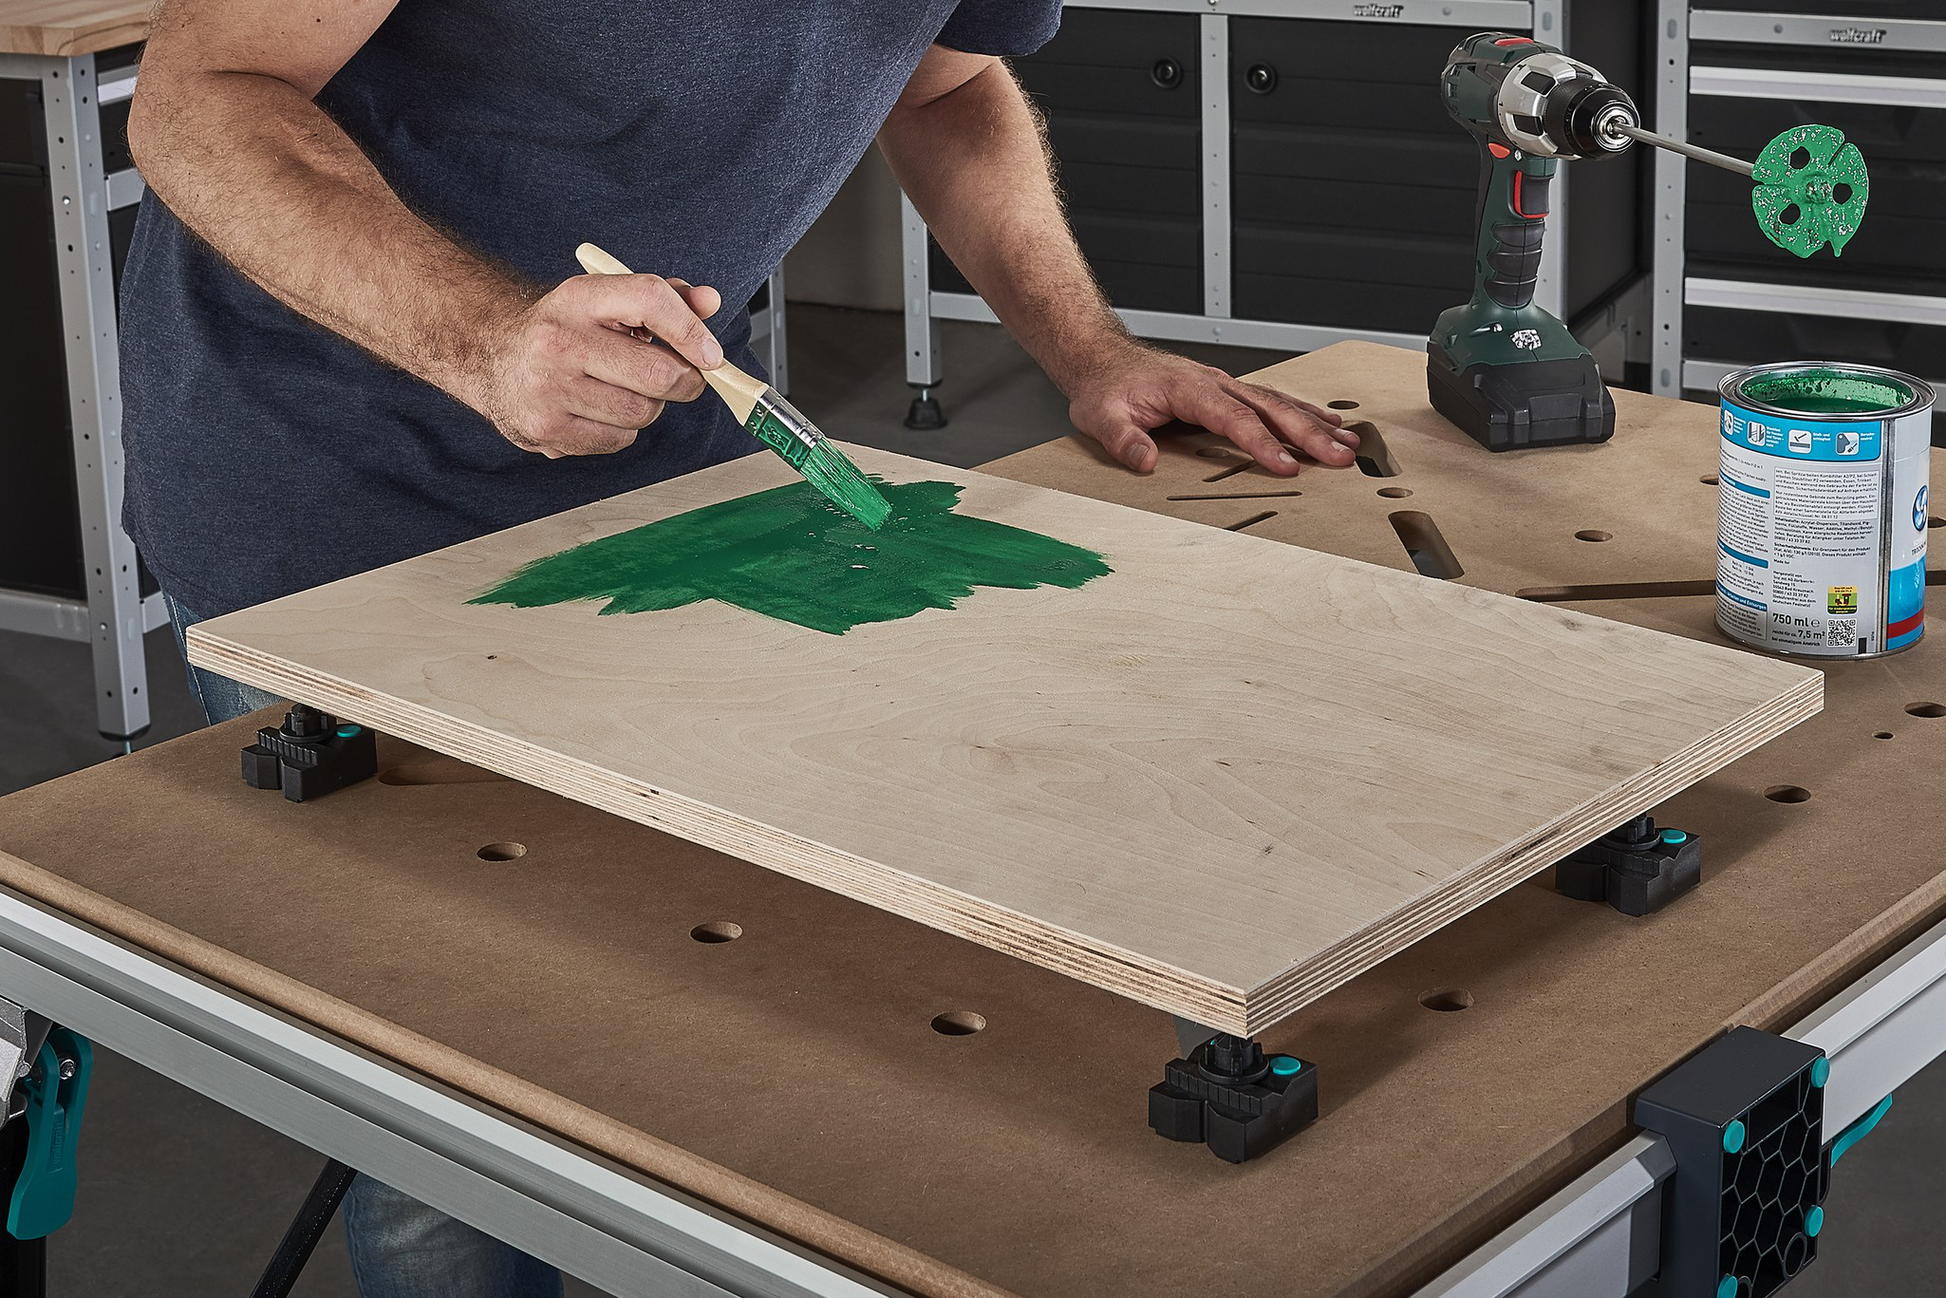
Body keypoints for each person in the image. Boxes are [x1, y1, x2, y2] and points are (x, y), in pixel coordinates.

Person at [121, 1, 1361, 1293]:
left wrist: (1088, 348)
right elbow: (200, 97)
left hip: (671, 486)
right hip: (336, 489)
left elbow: (944, 87)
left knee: (706, 1014)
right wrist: (486, 341)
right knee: (458, 1104)